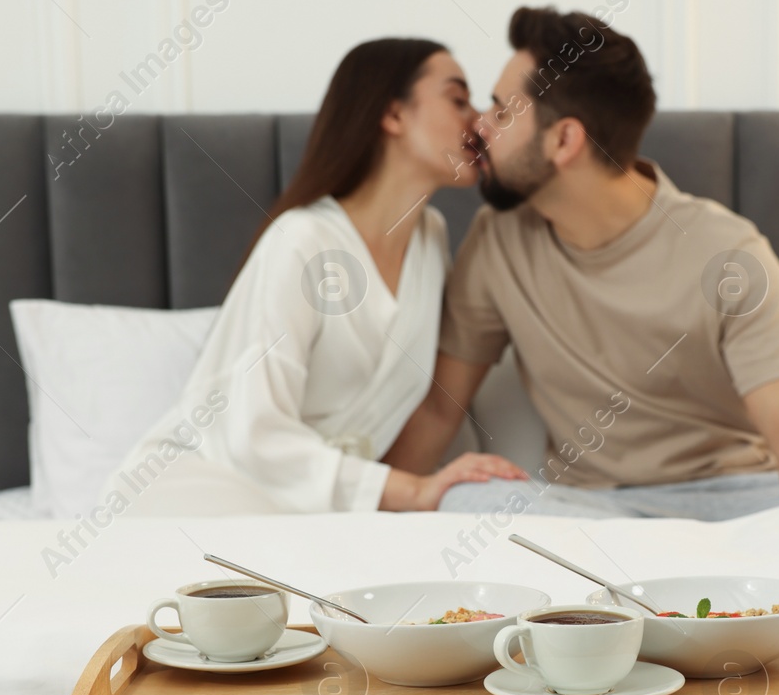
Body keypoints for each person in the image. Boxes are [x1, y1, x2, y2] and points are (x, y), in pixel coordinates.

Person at [383, 7, 779, 521]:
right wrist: (368, 522)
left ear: (564, 140)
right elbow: (439, 409)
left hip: (731, 501)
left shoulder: (728, 255)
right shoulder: (496, 242)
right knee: (467, 504)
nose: (478, 125)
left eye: (501, 112)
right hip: (589, 511)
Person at [110, 39, 526, 515]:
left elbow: (428, 407)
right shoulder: (302, 241)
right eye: (457, 99)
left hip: (328, 512)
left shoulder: (430, 239)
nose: (477, 119)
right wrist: (408, 491)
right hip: (213, 491)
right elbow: (252, 429)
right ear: (393, 115)